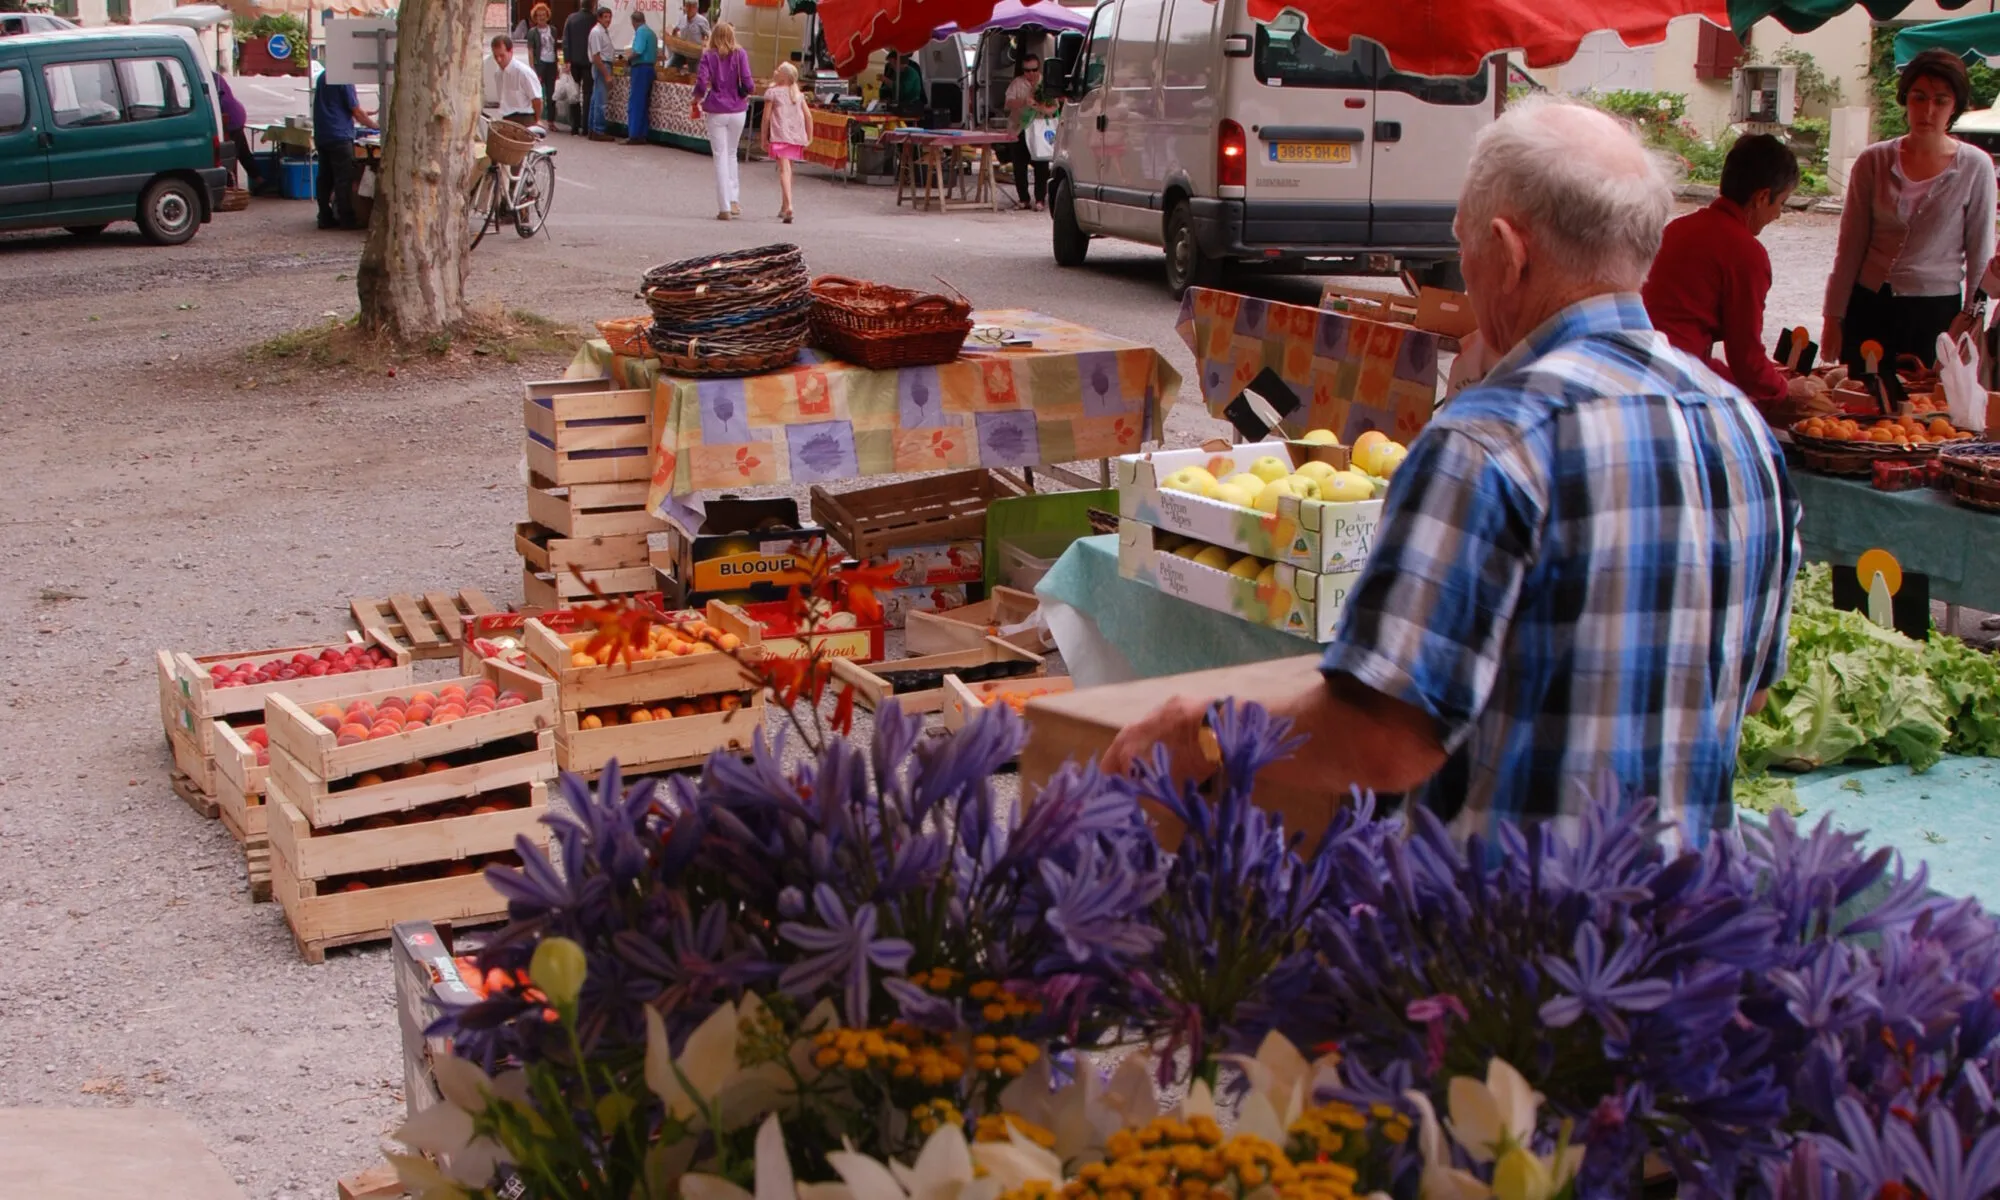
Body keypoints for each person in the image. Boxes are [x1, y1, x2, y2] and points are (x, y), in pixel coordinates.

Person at [1103, 98, 1801, 854]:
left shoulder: (1488, 439)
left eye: (1463, 245)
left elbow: (1385, 740)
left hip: (1504, 946)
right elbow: (1749, 689)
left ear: (1507, 250)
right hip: (1686, 940)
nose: (1463, 271)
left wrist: (1212, 731)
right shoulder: (1741, 428)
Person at [1822, 49, 1996, 370]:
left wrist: (1972, 321)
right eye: (1919, 97)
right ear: (1905, 99)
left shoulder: (1976, 167)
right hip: (1870, 305)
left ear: (1954, 106)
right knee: (1857, 405)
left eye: (1940, 101)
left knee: (1922, 413)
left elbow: (1980, 257)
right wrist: (1833, 316)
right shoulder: (1873, 161)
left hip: (1936, 314)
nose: (1928, 111)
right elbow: (1849, 248)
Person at [1643, 133, 1821, 416]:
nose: (1778, 215)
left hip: (1643, 366)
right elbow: (1746, 359)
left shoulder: (1678, 228)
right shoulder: (1746, 252)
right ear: (1763, 197)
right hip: (1677, 386)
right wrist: (1785, 392)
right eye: (1781, 203)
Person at [693, 22, 755, 220]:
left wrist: (697, 98)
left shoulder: (708, 56)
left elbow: (702, 82)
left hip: (717, 109)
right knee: (731, 154)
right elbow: (749, 83)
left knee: (720, 156)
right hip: (738, 109)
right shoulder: (740, 54)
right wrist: (746, 93)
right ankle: (734, 200)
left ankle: (724, 207)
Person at [311, 69, 377, 230]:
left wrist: (363, 114)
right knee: (343, 178)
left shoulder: (324, 76)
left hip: (323, 133)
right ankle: (346, 218)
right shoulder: (344, 78)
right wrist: (376, 126)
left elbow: (335, 105)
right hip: (339, 135)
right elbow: (355, 111)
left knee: (325, 177)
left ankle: (324, 216)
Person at [1004, 54, 1056, 211]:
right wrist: (1023, 102)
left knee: (1041, 166)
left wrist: (1039, 107)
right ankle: (1023, 199)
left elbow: (1054, 107)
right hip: (1019, 129)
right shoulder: (1017, 83)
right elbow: (1008, 103)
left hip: (1039, 131)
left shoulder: (1045, 83)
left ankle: (1040, 199)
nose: (1031, 73)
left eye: (1034, 69)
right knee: (1019, 167)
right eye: (1027, 70)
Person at [762, 61, 809, 223]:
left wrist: (763, 138)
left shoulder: (772, 92)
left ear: (784, 77)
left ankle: (789, 206)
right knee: (789, 169)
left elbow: (766, 118)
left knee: (784, 170)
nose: (775, 70)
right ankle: (783, 205)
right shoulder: (797, 94)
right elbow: (808, 116)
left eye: (779, 69)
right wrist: (809, 136)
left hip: (780, 134)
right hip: (795, 136)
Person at [214, 72, 264, 195]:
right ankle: (258, 180)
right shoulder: (213, 75)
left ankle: (231, 188)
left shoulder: (208, 77)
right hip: (236, 114)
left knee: (229, 155)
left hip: (230, 118)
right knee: (242, 152)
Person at [490, 34, 545, 126]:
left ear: (511, 52)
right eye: (496, 56)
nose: (498, 60)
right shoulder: (498, 74)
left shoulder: (523, 72)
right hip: (507, 117)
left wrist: (537, 119)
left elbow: (537, 100)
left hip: (525, 118)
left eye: (502, 56)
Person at [625, 11, 659, 145]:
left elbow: (638, 50)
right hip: (650, 68)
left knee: (636, 101)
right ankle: (642, 133)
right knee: (645, 102)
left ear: (634, 22)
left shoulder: (640, 32)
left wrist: (627, 58)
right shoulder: (651, 33)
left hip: (640, 68)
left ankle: (634, 134)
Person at [562, 4, 595, 136]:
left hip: (573, 62)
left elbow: (566, 41)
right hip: (588, 62)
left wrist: (567, 59)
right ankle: (586, 127)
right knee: (587, 94)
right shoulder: (594, 20)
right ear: (592, 5)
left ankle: (574, 126)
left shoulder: (571, 18)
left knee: (573, 94)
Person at [523, 4, 560, 115]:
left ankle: (551, 119)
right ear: (535, 17)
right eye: (539, 15)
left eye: (543, 15)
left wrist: (557, 65)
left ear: (547, 16)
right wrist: (532, 68)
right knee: (537, 92)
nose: (541, 17)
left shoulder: (553, 30)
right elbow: (530, 50)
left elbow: (555, 48)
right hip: (540, 64)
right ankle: (537, 116)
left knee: (551, 93)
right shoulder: (532, 32)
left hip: (552, 63)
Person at [587, 6, 616, 141]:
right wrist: (607, 75)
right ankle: (598, 129)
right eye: (605, 17)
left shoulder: (603, 31)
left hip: (604, 64)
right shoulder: (596, 32)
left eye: (609, 17)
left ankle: (593, 129)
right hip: (602, 66)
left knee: (595, 98)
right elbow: (596, 57)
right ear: (599, 18)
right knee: (601, 100)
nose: (608, 20)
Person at [673, 0, 711, 69]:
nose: (689, 9)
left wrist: (705, 45)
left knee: (694, 74)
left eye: (692, 7)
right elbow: (676, 29)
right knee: (670, 67)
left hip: (694, 54)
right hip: (682, 52)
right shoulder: (682, 18)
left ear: (696, 8)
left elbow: (708, 36)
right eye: (687, 6)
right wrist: (674, 38)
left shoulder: (702, 21)